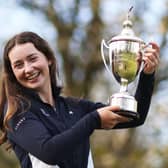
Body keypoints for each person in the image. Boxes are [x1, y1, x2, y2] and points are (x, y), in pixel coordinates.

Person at [0, 31, 159, 168]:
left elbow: (134, 117)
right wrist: (94, 120)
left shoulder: (74, 107)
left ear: (48, 58)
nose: (28, 69)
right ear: (12, 72)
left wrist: (147, 74)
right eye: (18, 65)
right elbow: (49, 152)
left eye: (32, 59)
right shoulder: (16, 113)